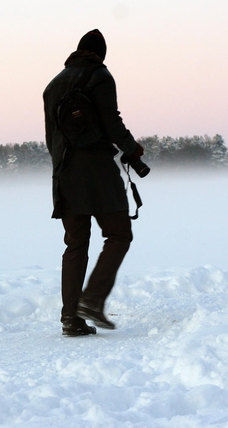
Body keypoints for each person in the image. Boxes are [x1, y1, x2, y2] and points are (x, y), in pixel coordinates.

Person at [43, 29, 145, 336]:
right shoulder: (100, 75)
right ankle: (92, 300)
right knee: (119, 234)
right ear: (100, 53)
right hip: (97, 172)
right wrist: (132, 149)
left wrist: (62, 168)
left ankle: (71, 318)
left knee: (76, 244)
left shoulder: (53, 85)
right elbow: (111, 121)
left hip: (64, 174)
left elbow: (51, 139)